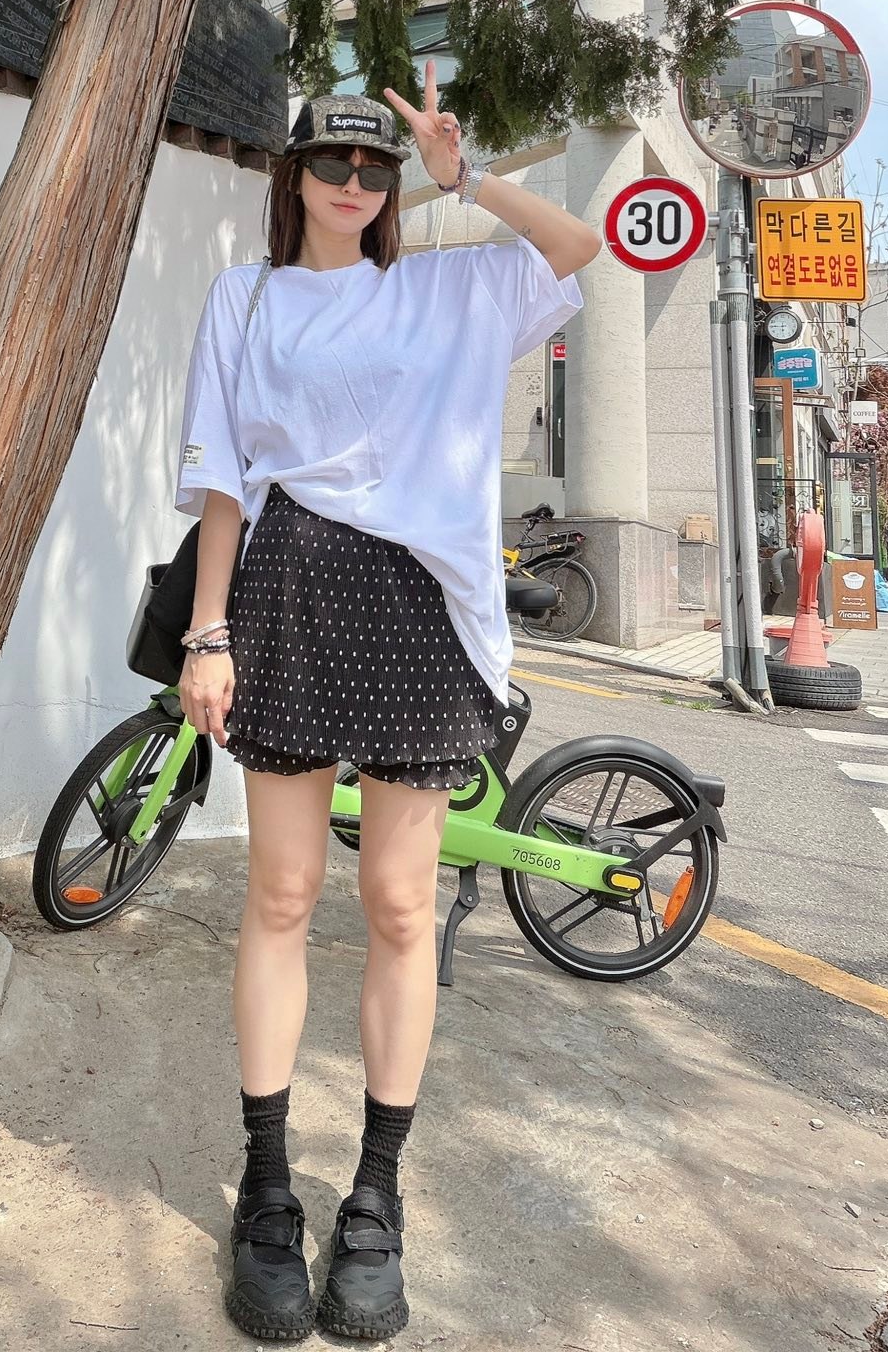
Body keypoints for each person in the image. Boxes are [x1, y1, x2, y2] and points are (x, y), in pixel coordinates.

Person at [172, 68, 600, 1343]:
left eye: (376, 168)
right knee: (282, 892)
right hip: (289, 592)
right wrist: (207, 631)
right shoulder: (246, 297)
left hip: (424, 609)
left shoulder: (447, 288)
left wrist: (471, 176)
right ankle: (267, 1187)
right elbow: (224, 478)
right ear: (293, 173)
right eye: (333, 163)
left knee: (402, 902)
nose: (355, 184)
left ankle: (376, 1193)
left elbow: (578, 246)